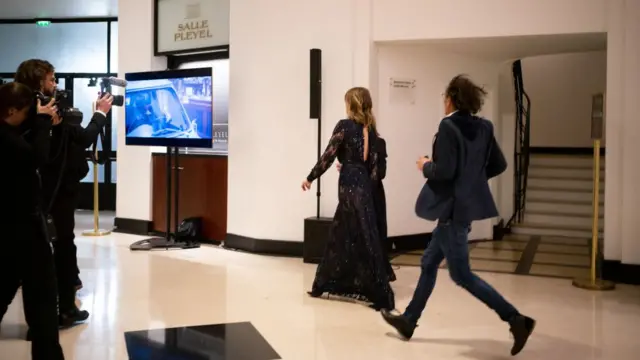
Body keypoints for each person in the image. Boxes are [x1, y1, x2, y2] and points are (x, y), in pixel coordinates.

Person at [381, 75, 535, 356]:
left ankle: (516, 320)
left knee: (462, 275)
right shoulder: (485, 127)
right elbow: (498, 164)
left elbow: (445, 172)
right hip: (462, 208)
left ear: (451, 98)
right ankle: (409, 321)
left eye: (444, 97)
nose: (443, 102)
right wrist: (471, 181)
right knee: (428, 262)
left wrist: (426, 165)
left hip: (452, 212)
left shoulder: (448, 126)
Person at [14, 59, 113, 328]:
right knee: (62, 244)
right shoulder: (37, 118)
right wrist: (100, 115)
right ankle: (66, 307)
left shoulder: (22, 117)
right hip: (55, 189)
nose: (56, 85)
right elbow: (82, 139)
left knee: (51, 245)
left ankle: (67, 291)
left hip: (37, 190)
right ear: (38, 84)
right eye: (51, 80)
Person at [302, 87, 395, 311]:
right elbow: (373, 171)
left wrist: (310, 177)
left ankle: (325, 284)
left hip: (348, 185)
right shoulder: (371, 131)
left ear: (351, 105)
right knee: (364, 234)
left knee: (341, 234)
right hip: (363, 185)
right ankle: (375, 290)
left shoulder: (344, 126)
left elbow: (328, 155)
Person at [0, 82, 66, 359]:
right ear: (13, 110)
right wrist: (42, 123)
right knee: (42, 302)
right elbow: (36, 158)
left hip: (10, 227)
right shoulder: (9, 141)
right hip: (22, 228)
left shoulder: (9, 133)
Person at [337, 134, 395, 281]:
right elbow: (379, 173)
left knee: (364, 231)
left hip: (364, 193)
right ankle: (370, 273)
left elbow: (379, 173)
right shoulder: (375, 142)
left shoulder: (368, 143)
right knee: (366, 231)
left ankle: (365, 273)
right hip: (366, 193)